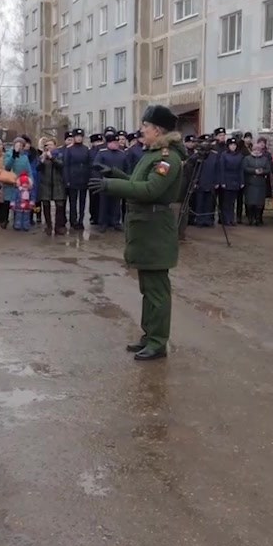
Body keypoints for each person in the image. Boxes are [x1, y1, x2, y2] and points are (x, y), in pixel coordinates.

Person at [89, 105, 186, 362]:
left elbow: (151, 190)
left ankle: (158, 342)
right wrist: (117, 174)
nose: (141, 130)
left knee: (157, 290)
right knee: (148, 288)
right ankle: (149, 336)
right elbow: (137, 182)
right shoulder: (152, 154)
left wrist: (112, 185)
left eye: (145, 126)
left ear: (157, 129)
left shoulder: (167, 158)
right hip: (146, 228)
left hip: (155, 229)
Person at [62, 129, 91, 230]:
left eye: (80, 136)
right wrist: (67, 179)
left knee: (83, 202)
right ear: (74, 138)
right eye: (77, 136)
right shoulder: (69, 149)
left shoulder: (86, 149)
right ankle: (73, 220)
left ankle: (81, 220)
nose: (79, 138)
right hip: (73, 178)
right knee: (73, 202)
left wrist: (88, 178)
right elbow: (66, 165)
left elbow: (89, 164)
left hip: (83, 178)